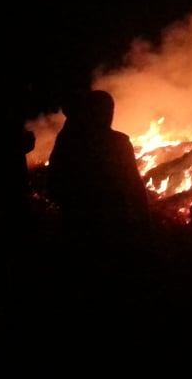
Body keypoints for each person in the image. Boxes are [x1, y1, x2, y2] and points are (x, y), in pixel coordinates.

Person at [46, 89, 154, 298]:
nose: (109, 115)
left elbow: (53, 186)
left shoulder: (68, 142)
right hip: (111, 227)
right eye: (106, 110)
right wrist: (145, 225)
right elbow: (134, 185)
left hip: (77, 228)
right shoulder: (117, 143)